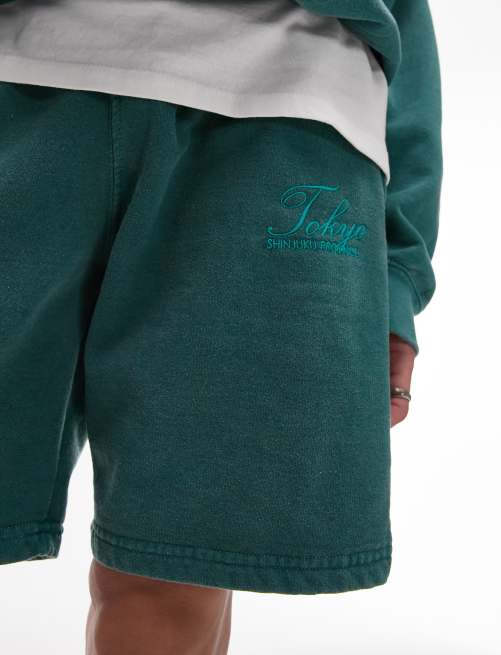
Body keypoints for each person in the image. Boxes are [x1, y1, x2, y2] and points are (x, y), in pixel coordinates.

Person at [0, 0, 443, 653]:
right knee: (173, 568)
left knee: (176, 560)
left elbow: (405, 19)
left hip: (282, 114)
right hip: (22, 82)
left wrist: (397, 275)